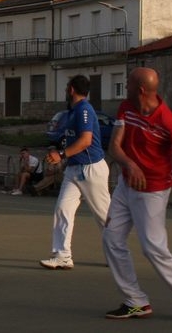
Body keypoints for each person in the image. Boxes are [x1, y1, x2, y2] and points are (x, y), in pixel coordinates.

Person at [102, 67, 172, 321]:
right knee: (111, 238)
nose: (124, 86)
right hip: (125, 186)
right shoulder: (126, 107)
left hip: (153, 190)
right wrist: (130, 164)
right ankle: (135, 301)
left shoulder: (166, 120)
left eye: (127, 83)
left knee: (153, 248)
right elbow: (114, 146)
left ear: (140, 89)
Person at [40, 75, 111, 270]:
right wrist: (63, 158)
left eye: (66, 87)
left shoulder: (84, 109)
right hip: (74, 169)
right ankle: (63, 256)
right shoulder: (72, 112)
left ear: (71, 89)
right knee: (63, 209)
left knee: (104, 216)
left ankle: (117, 256)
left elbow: (86, 141)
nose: (65, 91)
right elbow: (71, 140)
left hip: (91, 168)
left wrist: (61, 155)